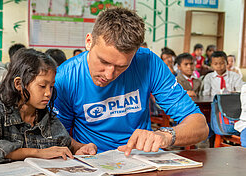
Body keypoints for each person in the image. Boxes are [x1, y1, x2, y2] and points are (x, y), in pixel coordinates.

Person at [54, 7, 208, 154]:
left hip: (143, 160)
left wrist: (165, 136)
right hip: (95, 161)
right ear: (89, 41)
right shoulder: (66, 78)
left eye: (121, 66)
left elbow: (200, 126)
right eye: (103, 62)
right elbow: (58, 136)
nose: (109, 74)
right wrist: (79, 148)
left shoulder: (148, 62)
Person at [0, 49, 97, 162]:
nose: (48, 93)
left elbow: (67, 144)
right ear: (19, 84)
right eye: (42, 86)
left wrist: (83, 148)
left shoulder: (48, 117)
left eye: (51, 86)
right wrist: (38, 153)